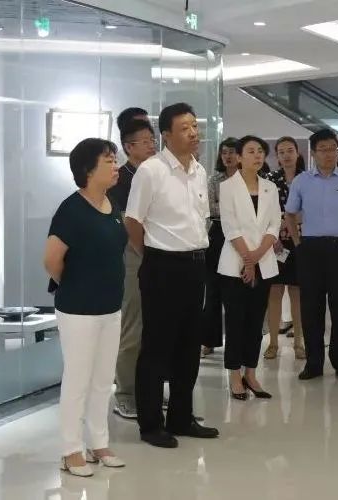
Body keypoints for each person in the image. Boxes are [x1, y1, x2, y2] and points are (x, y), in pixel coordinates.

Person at [125, 102, 219, 448]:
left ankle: (181, 416)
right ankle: (150, 424)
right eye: (185, 128)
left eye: (195, 126)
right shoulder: (151, 171)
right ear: (166, 135)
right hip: (162, 266)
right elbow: (133, 221)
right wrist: (151, 255)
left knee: (189, 346)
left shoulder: (199, 170)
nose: (193, 133)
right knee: (156, 347)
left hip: (195, 264)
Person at [44, 138, 128, 477]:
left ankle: (99, 443)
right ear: (88, 170)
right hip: (78, 309)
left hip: (110, 307)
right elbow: (51, 261)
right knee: (78, 379)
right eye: (109, 161)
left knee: (103, 380)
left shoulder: (112, 204)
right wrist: (77, 284)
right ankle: (70, 450)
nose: (116, 166)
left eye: (115, 160)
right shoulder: (71, 210)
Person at [284, 128, 338, 381]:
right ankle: (314, 363)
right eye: (322, 149)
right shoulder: (301, 181)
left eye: (332, 148)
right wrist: (297, 242)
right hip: (310, 249)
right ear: (313, 153)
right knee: (311, 308)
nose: (328, 153)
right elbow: (290, 212)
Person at [217, 136, 281, 400]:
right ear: (239, 157)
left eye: (260, 151)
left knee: (256, 322)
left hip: (263, 263)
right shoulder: (227, 187)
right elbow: (230, 227)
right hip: (234, 265)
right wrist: (247, 259)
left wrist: (255, 257)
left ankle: (251, 373)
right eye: (251, 151)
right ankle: (234, 375)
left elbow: (274, 225)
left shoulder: (270, 187)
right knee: (235, 322)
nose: (257, 156)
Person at [106, 118, 156, 420]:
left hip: (160, 256)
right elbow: (126, 224)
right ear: (129, 147)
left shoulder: (156, 174)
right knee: (133, 328)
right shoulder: (121, 180)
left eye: (153, 140)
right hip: (133, 257)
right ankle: (125, 393)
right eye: (145, 141)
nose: (152, 145)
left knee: (155, 329)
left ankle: (148, 390)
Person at [264, 137, 306, 360]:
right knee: (275, 291)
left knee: (297, 293)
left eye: (290, 150)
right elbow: (263, 212)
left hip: (301, 241)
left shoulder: (308, 178)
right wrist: (277, 230)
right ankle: (273, 343)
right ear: (277, 156)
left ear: (297, 153)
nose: (286, 155)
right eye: (281, 152)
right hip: (276, 242)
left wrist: (289, 222)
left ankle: (299, 342)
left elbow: (311, 210)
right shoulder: (269, 180)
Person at [202, 137, 239, 357]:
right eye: (224, 152)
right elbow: (210, 207)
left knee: (236, 291)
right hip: (217, 234)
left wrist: (226, 206)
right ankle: (209, 341)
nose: (228, 156)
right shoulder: (214, 179)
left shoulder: (247, 178)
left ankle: (237, 342)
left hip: (242, 234)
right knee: (213, 290)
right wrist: (234, 207)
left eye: (232, 152)